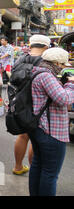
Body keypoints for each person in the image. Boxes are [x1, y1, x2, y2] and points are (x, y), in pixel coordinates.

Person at [28, 48, 74, 196]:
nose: (63, 68)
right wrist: (71, 84)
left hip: (39, 127)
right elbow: (64, 99)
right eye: (62, 64)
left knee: (38, 165)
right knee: (50, 173)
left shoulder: (37, 71)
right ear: (56, 63)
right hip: (51, 130)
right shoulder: (46, 76)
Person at [11, 34, 50, 176]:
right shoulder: (46, 61)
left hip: (21, 103)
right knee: (35, 139)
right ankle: (35, 170)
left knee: (23, 136)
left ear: (31, 45)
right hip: (39, 105)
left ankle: (18, 166)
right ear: (46, 47)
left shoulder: (20, 59)